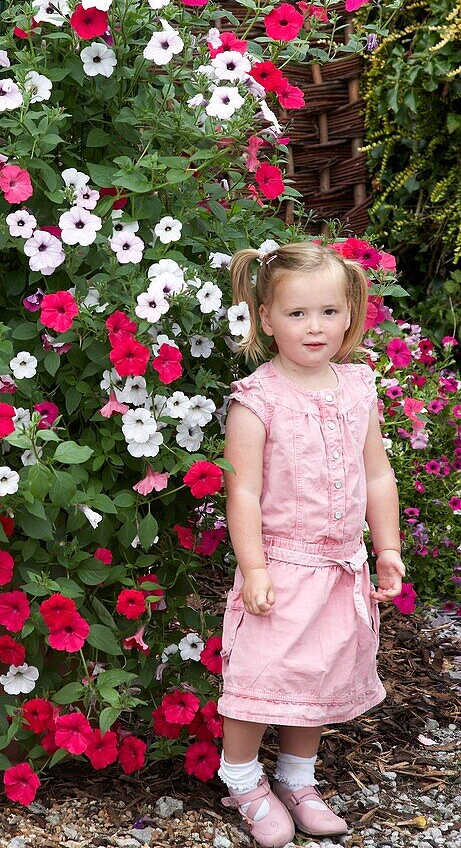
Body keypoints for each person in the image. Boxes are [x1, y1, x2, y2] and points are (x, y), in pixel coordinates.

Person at [217, 241, 405, 848]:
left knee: (319, 680)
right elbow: (242, 493)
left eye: (327, 311)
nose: (314, 326)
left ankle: (298, 779)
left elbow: (377, 474)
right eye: (296, 314)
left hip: (340, 568)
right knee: (258, 679)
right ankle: (243, 779)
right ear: (265, 318)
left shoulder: (358, 388)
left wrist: (388, 549)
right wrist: (254, 567)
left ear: (350, 312)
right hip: (283, 567)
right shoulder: (258, 400)